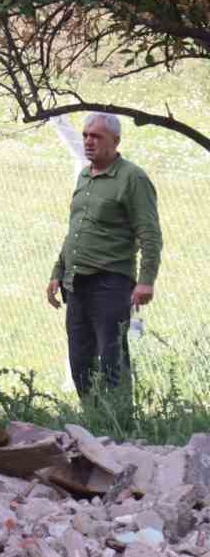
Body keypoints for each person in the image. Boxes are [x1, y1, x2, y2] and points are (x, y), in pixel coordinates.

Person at [45, 113, 162, 399]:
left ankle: (119, 427)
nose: (88, 141)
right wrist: (57, 273)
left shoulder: (132, 178)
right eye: (85, 135)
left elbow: (150, 234)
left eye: (96, 136)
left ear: (115, 140)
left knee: (112, 360)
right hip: (76, 284)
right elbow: (76, 230)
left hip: (110, 283)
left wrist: (146, 280)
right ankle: (94, 425)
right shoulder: (85, 176)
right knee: (80, 361)